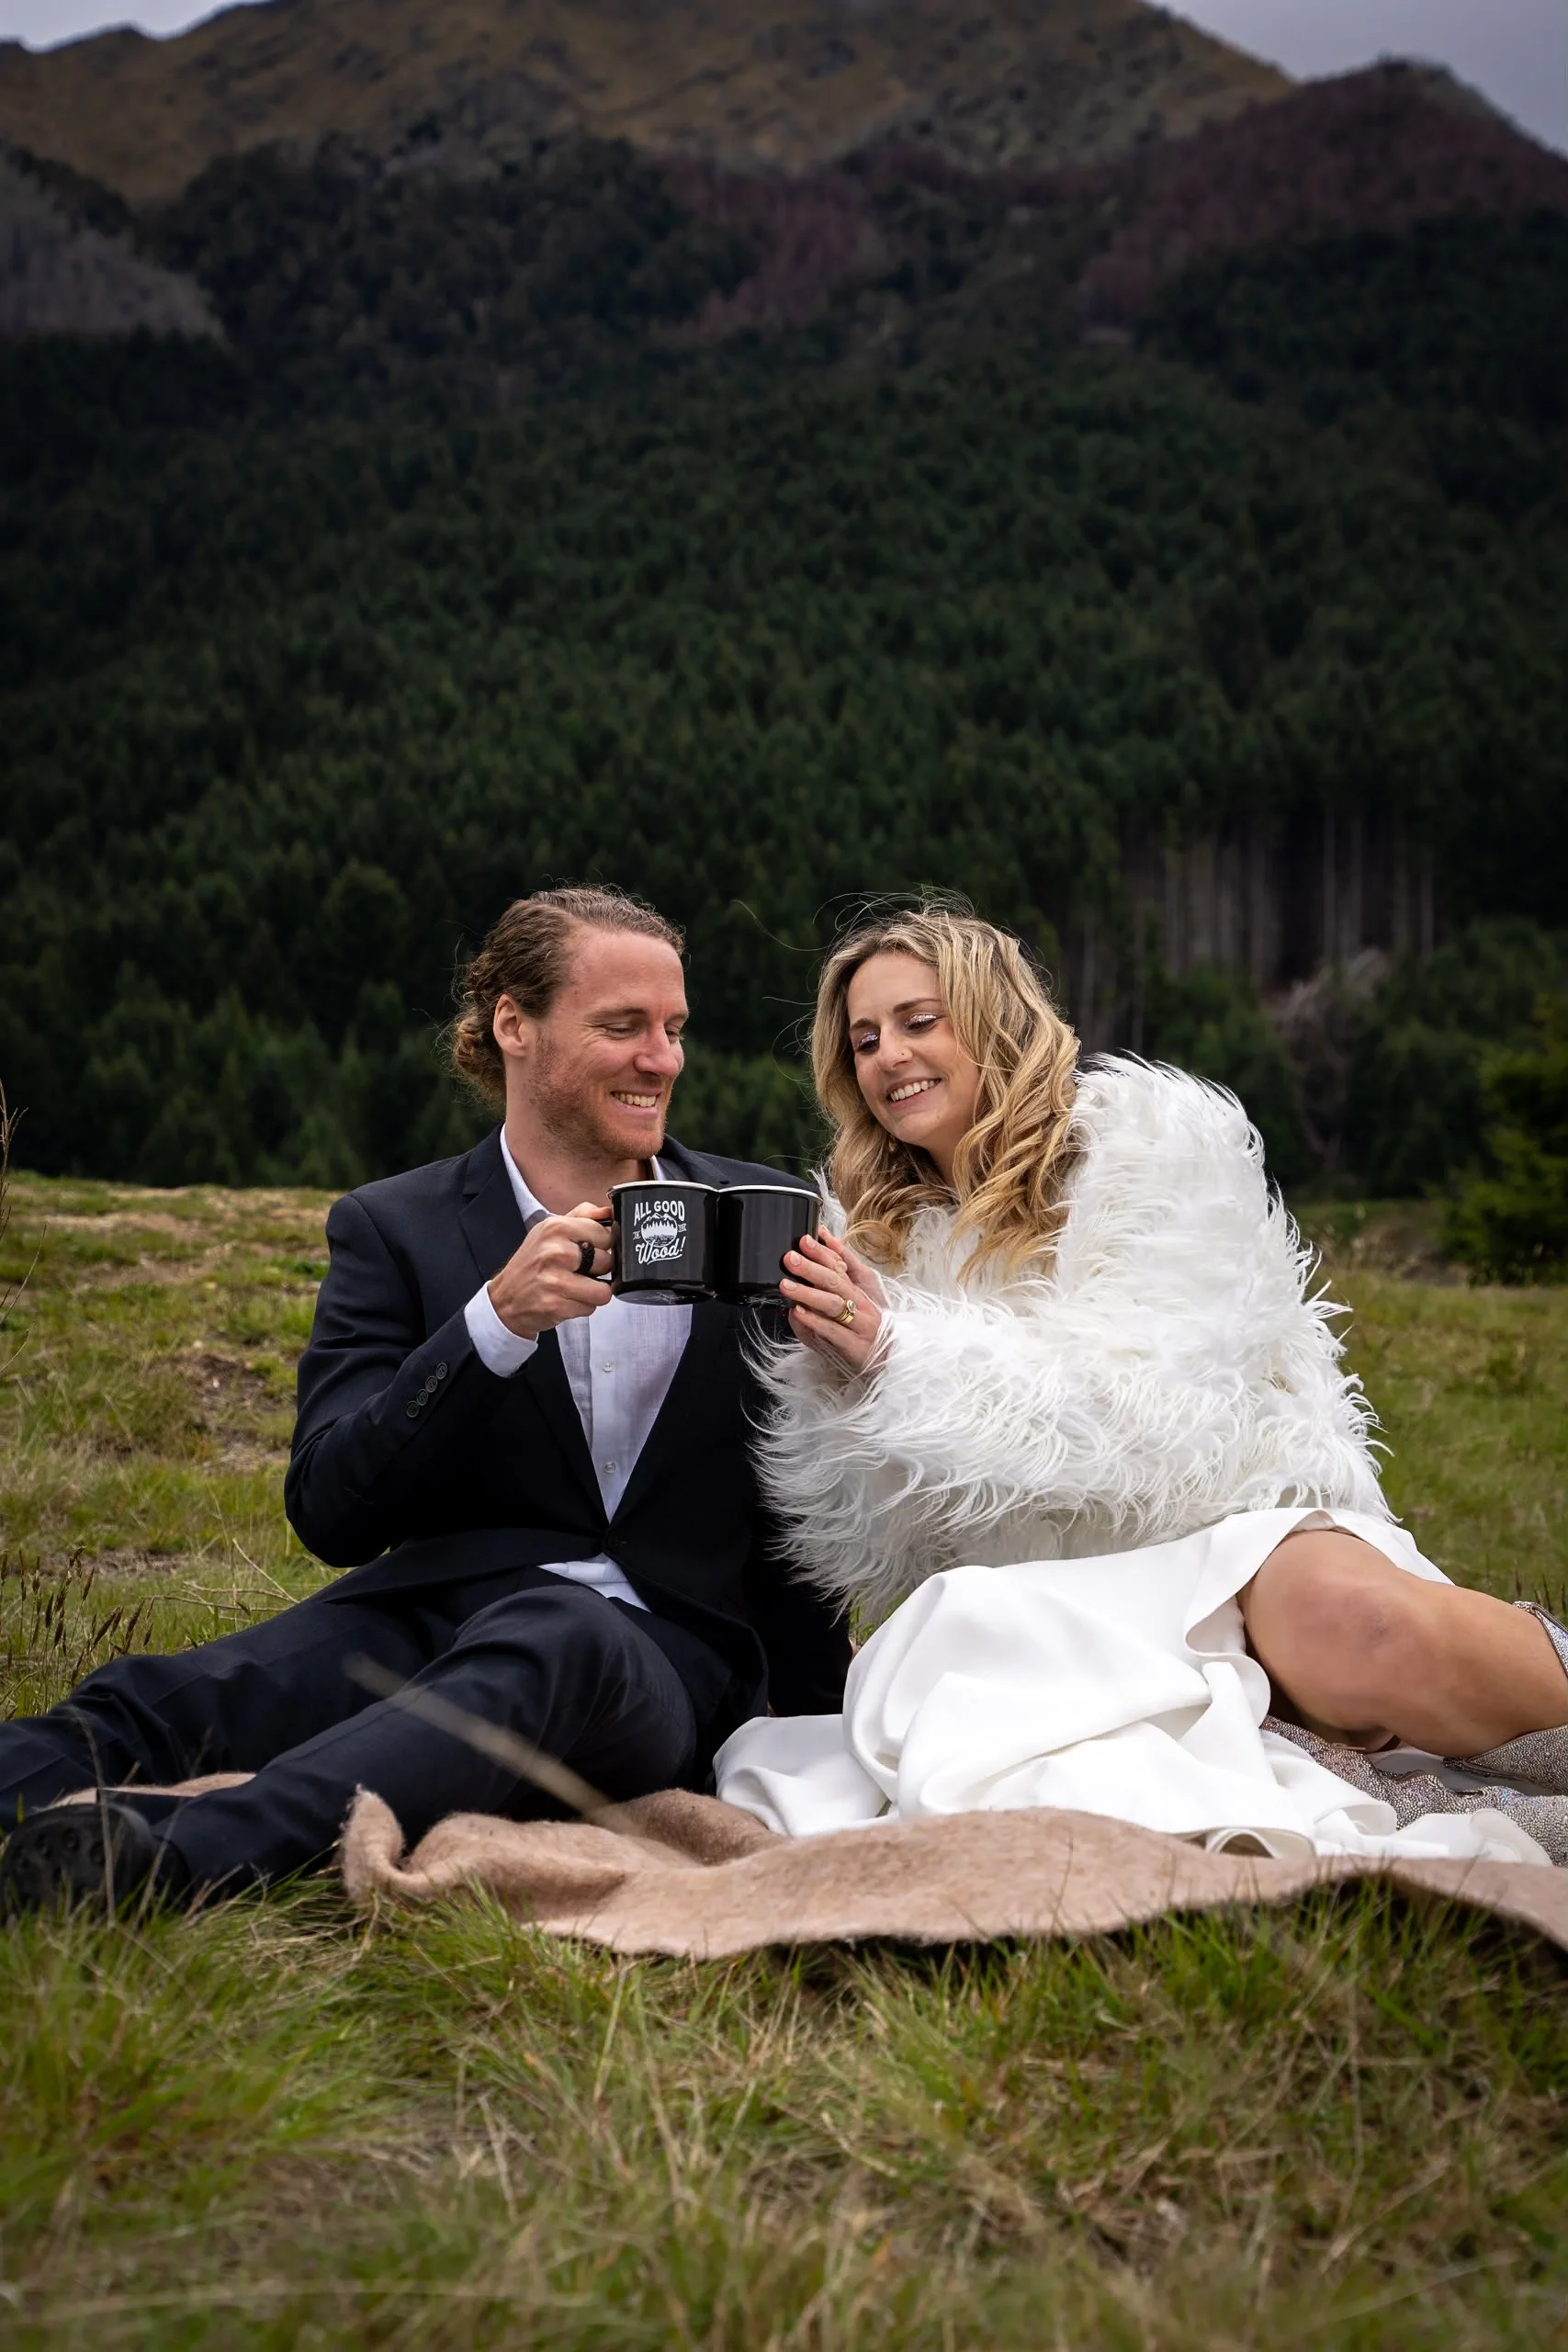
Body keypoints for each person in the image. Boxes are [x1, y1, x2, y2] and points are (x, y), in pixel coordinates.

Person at [0, 887, 850, 1914]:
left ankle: (168, 1860)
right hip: (434, 1612)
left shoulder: (759, 1216)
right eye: (622, 1027)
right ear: (512, 1025)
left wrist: (825, 1724)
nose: (662, 1059)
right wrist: (492, 1327)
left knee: (558, 1633)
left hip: (654, 1658)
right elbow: (330, 1508)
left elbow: (800, 1510)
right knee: (156, 1700)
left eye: (673, 1029)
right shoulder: (392, 1226)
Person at [716, 901, 1568, 1866]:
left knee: (1340, 1620)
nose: (888, 1057)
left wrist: (904, 1355)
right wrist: (844, 1384)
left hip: (1230, 1529)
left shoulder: (1154, 1149)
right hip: (1055, 1597)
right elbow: (889, 1544)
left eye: (920, 1020)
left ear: (992, 1017)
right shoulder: (877, 1242)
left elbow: (1160, 1433)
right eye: (864, 1039)